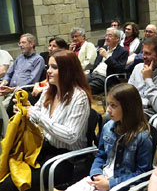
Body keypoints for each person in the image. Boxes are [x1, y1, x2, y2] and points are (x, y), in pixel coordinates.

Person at [0, 50, 91, 191]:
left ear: (68, 71)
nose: (48, 71)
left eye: (54, 67)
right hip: (44, 149)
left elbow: (71, 136)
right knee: (6, 174)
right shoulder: (50, 90)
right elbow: (36, 112)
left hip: (66, 159)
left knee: (11, 186)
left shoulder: (80, 97)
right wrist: (25, 110)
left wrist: (36, 116)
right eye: (48, 67)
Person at [66, 83, 153, 191]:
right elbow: (100, 156)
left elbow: (143, 174)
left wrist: (110, 184)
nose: (108, 110)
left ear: (128, 108)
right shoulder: (108, 127)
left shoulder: (143, 137)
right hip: (101, 179)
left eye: (113, 106)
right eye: (108, 105)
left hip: (122, 185)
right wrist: (96, 173)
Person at [0, 33, 45, 108]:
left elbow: (32, 80)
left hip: (21, 91)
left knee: (2, 107)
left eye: (23, 43)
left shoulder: (38, 59)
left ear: (31, 44)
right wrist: (4, 83)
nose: (20, 45)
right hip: (8, 89)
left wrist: (14, 89)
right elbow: (8, 74)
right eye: (19, 43)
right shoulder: (19, 58)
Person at [87, 27, 128, 94]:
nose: (107, 38)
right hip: (93, 74)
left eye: (110, 36)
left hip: (105, 77)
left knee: (86, 89)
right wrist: (90, 70)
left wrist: (107, 56)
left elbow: (119, 69)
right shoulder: (103, 48)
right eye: (106, 35)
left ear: (117, 38)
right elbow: (97, 64)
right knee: (76, 83)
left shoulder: (123, 51)